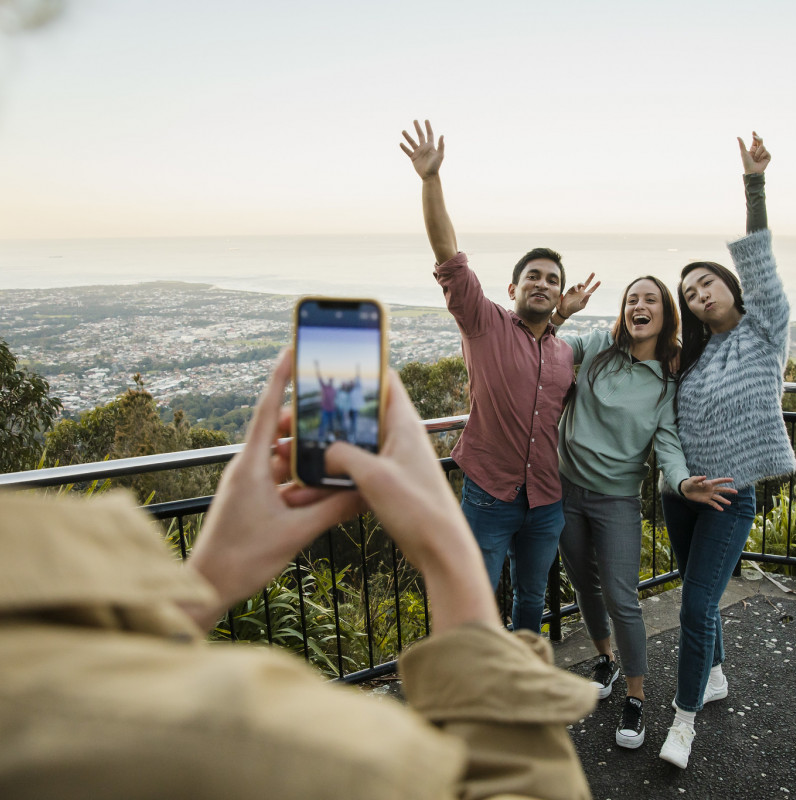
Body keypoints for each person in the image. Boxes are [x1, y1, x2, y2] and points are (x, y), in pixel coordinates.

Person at [0, 350, 597, 799]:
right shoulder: (271, 746)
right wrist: (447, 550)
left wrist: (203, 585)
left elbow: (95, 691)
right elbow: (524, 786)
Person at [399, 119, 580, 633]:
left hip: (546, 497)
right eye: (533, 278)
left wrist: (562, 318)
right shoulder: (485, 324)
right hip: (489, 495)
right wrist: (430, 180)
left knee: (530, 599)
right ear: (513, 287)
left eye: (551, 280)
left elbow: (542, 367)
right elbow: (448, 259)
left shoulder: (563, 352)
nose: (542, 285)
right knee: (473, 601)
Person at [658, 132, 796, 769]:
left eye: (706, 282)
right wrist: (681, 481)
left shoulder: (763, 332)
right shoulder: (691, 357)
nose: (696, 294)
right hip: (684, 496)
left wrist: (755, 186)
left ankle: (682, 722)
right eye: (687, 293)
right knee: (699, 593)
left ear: (732, 288)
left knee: (693, 605)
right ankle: (713, 674)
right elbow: (669, 429)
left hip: (731, 498)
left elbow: (763, 259)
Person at [551, 276, 735, 750]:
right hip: (565, 489)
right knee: (584, 585)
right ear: (623, 310)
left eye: (649, 299)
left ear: (665, 313)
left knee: (621, 596)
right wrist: (561, 314)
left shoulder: (666, 381)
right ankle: (605, 659)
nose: (639, 305)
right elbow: (542, 349)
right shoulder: (596, 347)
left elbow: (669, 446)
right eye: (632, 298)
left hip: (617, 499)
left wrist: (681, 482)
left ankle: (636, 694)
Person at [315, 359, 337, 441]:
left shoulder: (334, 390)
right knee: (323, 424)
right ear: (329, 381)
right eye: (330, 380)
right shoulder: (324, 386)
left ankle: (331, 436)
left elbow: (336, 400)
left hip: (332, 410)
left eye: (332, 380)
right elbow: (319, 377)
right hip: (325, 409)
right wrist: (317, 366)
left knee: (331, 425)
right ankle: (320, 438)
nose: (331, 381)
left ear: (332, 381)